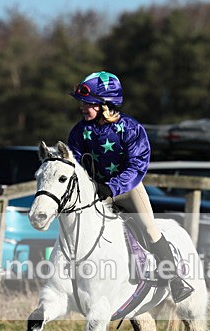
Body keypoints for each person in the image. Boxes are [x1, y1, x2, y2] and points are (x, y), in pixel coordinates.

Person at [67, 71, 194, 303]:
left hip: (128, 188)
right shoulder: (78, 132)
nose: (83, 107)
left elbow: (137, 166)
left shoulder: (130, 128)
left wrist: (112, 187)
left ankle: (175, 280)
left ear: (106, 104)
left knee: (149, 228)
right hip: (97, 191)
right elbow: (74, 164)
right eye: (82, 103)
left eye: (89, 103)